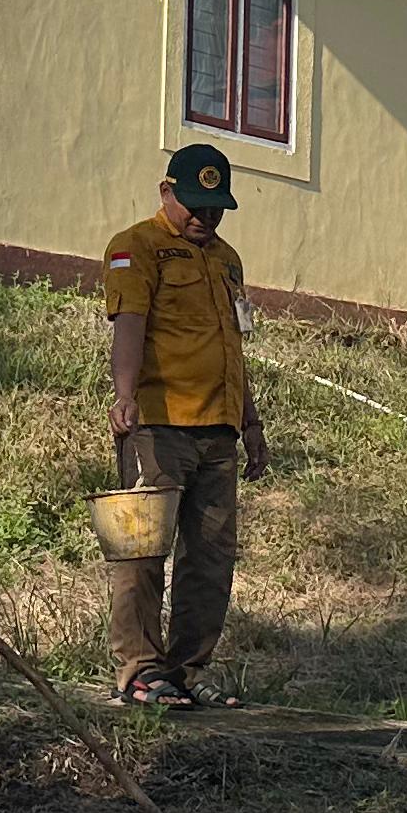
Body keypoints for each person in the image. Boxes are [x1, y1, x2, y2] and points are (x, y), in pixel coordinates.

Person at [101, 142, 269, 709]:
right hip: (158, 424)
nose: (204, 217)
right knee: (143, 551)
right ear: (165, 191)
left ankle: (189, 669)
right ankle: (141, 671)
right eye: (194, 205)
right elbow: (130, 323)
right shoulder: (136, 247)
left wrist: (250, 423)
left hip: (218, 430)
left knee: (211, 556)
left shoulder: (227, 259)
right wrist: (124, 397)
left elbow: (234, 345)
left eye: (215, 207)